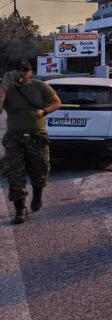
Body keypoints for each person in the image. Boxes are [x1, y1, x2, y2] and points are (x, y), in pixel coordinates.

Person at [0, 61, 61, 224]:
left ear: (31, 73)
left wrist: (44, 111)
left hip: (37, 136)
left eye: (25, 70)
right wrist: (3, 91)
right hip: (14, 137)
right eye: (18, 70)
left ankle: (38, 194)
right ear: (13, 72)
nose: (22, 73)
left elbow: (57, 102)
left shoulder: (39, 86)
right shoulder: (8, 88)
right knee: (14, 174)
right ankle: (20, 209)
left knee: (40, 172)